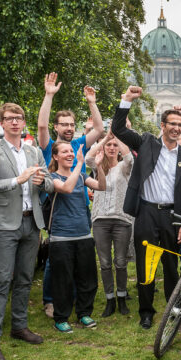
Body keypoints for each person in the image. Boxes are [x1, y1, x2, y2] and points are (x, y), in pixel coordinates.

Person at [111, 86, 181, 330]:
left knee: (171, 267)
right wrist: (126, 99)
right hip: (147, 212)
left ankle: (175, 310)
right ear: (162, 124)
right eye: (172, 124)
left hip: (172, 215)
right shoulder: (146, 142)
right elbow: (118, 129)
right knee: (146, 264)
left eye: (180, 124)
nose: (177, 129)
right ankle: (146, 311)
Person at [37, 73, 104, 318]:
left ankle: (74, 299)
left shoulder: (78, 145)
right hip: (58, 210)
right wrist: (49, 95)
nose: (68, 128)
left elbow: (99, 128)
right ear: (57, 127)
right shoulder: (50, 147)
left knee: (78, 258)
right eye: (63, 124)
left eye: (71, 124)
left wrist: (91, 102)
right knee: (56, 261)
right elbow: (42, 126)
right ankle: (50, 300)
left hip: (80, 210)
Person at [0, 103, 54, 360]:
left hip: (32, 223)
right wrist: (17, 181)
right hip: (5, 225)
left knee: (24, 278)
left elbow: (52, 182)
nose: (15, 122)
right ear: (2, 122)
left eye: (19, 118)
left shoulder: (33, 151)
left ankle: (19, 326)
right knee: (1, 282)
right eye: (10, 118)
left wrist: (42, 182)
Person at [49, 143, 106, 333]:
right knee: (62, 280)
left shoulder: (81, 176)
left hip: (83, 235)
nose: (70, 154)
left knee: (87, 278)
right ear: (55, 156)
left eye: (72, 152)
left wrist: (98, 167)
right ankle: (61, 317)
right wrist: (80, 163)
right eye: (65, 151)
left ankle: (84, 313)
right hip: (61, 237)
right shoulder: (52, 178)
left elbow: (101, 186)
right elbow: (66, 188)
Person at [86, 132, 134, 317]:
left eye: (115, 146)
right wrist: (105, 139)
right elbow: (89, 156)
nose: (112, 148)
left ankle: (122, 298)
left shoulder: (124, 167)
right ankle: (110, 300)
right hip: (100, 221)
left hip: (122, 220)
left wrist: (119, 137)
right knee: (105, 263)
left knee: (120, 262)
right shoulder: (98, 165)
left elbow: (130, 157)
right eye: (109, 146)